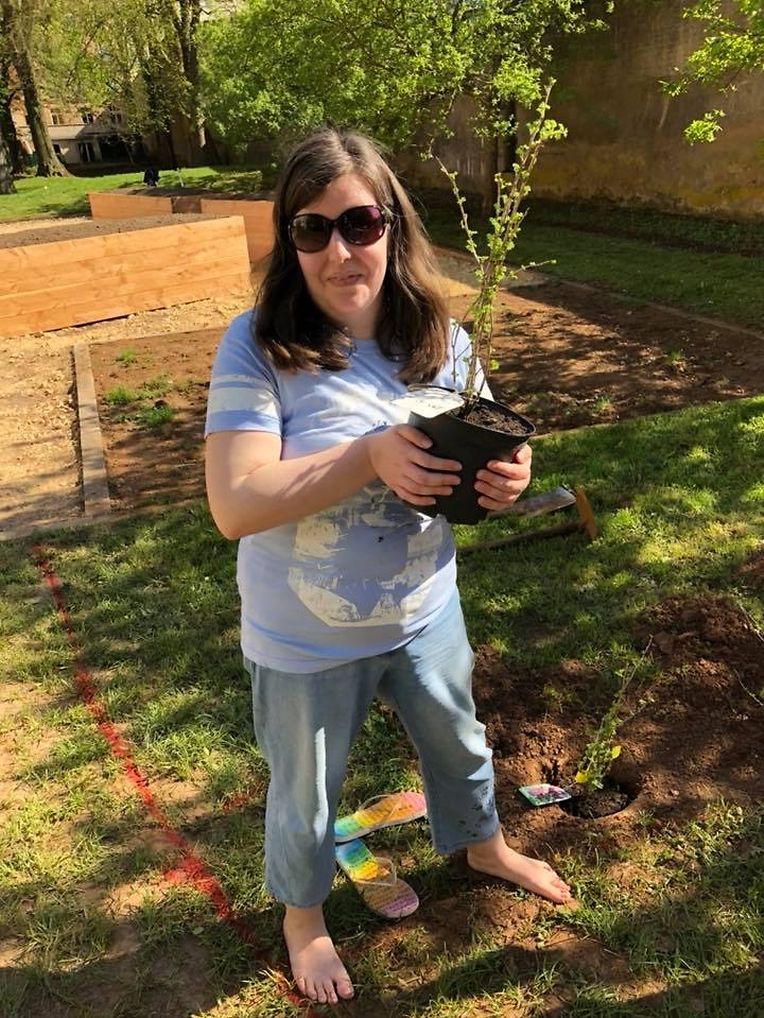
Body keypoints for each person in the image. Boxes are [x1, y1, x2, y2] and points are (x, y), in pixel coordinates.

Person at [204, 127, 571, 1006]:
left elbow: (478, 453)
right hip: (305, 637)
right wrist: (370, 453)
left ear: (393, 227)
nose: (340, 251)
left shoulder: (443, 338)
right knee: (305, 792)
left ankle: (484, 846)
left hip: (424, 612)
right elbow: (236, 504)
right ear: (289, 241)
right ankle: (304, 919)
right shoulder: (257, 345)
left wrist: (506, 478)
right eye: (312, 229)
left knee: (461, 743)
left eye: (361, 224)